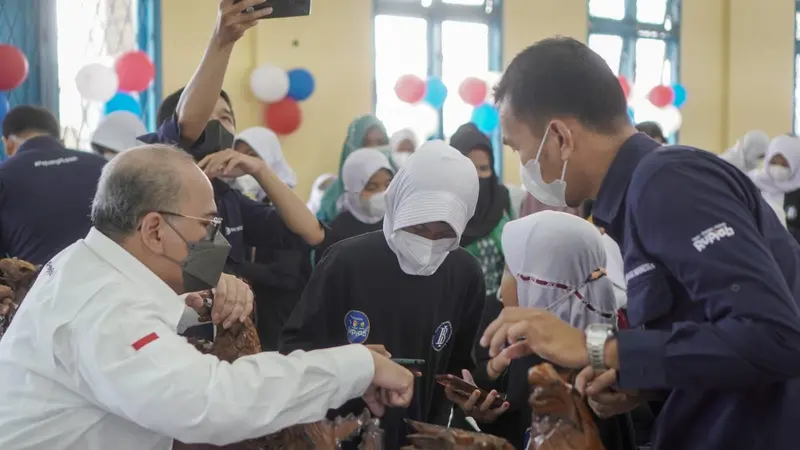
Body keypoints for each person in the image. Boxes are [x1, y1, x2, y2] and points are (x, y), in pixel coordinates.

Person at [481, 36, 800, 450]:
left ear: (559, 136)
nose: (523, 166)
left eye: (519, 148)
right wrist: (644, 380)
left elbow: (775, 337)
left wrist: (595, 346)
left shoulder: (667, 182)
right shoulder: (633, 201)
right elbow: (718, 339)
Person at [0, 144, 414, 449]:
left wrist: (180, 313)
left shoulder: (85, 263)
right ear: (155, 230)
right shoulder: (107, 308)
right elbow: (212, 404)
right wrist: (356, 366)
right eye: (208, 223)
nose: (217, 239)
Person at [280, 140, 485, 450]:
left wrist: (464, 394)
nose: (429, 243)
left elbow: (458, 363)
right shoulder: (345, 262)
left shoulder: (465, 273)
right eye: (417, 228)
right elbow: (293, 351)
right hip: (341, 435)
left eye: (444, 234)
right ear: (398, 203)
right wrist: (350, 366)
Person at [138, 0, 324, 275]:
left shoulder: (228, 199)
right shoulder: (154, 178)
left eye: (226, 118)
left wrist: (261, 169)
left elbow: (312, 233)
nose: (216, 125)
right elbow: (187, 125)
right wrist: (221, 40)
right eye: (207, 116)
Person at [448, 211, 633, 450]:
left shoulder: (581, 370)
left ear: (540, 284)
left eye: (510, 271)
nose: (502, 291)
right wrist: (489, 416)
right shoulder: (593, 348)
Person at [0, 105, 106, 265]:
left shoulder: (4, 175)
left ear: (7, 144)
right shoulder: (103, 166)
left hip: (39, 285)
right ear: (59, 138)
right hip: (110, 281)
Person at [450, 123, 511, 300]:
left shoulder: (502, 200)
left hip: (499, 308)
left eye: (483, 168)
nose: (476, 175)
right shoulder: (442, 208)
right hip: (455, 310)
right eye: (469, 166)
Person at [313, 147, 394, 263]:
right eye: (371, 187)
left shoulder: (396, 222)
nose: (383, 193)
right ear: (353, 189)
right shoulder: (336, 233)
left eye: (388, 185)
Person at [316, 114, 390, 223]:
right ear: (351, 148)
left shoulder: (401, 187)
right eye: (366, 143)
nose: (374, 149)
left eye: (380, 142)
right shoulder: (332, 197)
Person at [747, 135, 800, 228]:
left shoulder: (797, 191)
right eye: (773, 162)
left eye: (785, 164)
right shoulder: (751, 183)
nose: (778, 168)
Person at [233, 126, 298, 201]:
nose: (245, 162)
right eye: (240, 157)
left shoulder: (292, 203)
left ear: (271, 154)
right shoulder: (256, 203)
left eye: (251, 155)